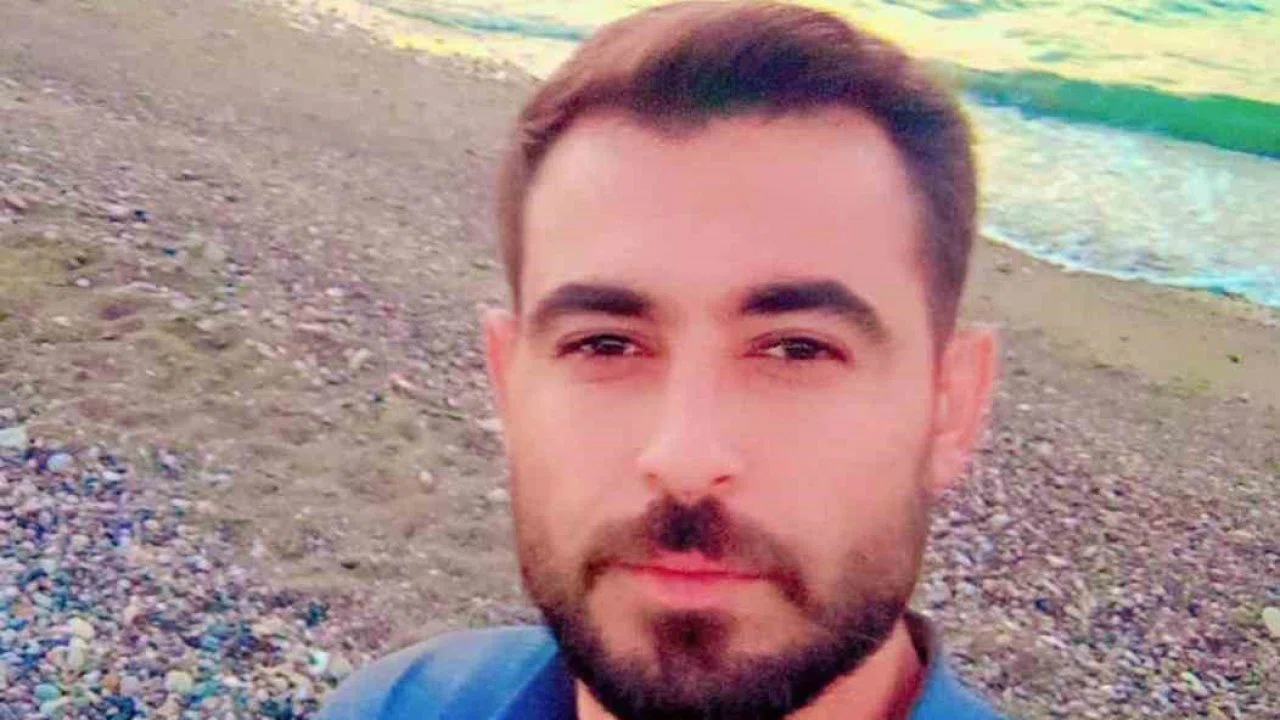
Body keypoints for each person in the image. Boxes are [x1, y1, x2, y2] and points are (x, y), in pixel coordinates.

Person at [319, 1, 1005, 718]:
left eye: (797, 349)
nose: (684, 459)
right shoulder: (393, 704)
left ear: (951, 407)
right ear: (508, 385)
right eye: (605, 343)